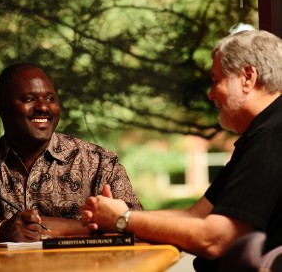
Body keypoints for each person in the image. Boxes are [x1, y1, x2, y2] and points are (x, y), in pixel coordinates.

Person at [81, 29, 282, 271]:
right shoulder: (262, 133)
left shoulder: (272, 136)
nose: (210, 94)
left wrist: (124, 219)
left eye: (216, 80)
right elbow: (196, 216)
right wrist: (116, 217)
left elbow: (214, 239)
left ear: (247, 77)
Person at [0, 62, 142, 243]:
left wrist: (63, 228)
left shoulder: (100, 164)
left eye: (50, 99)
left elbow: (139, 230)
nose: (43, 107)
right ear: (0, 107)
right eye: (29, 99)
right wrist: (1, 229)